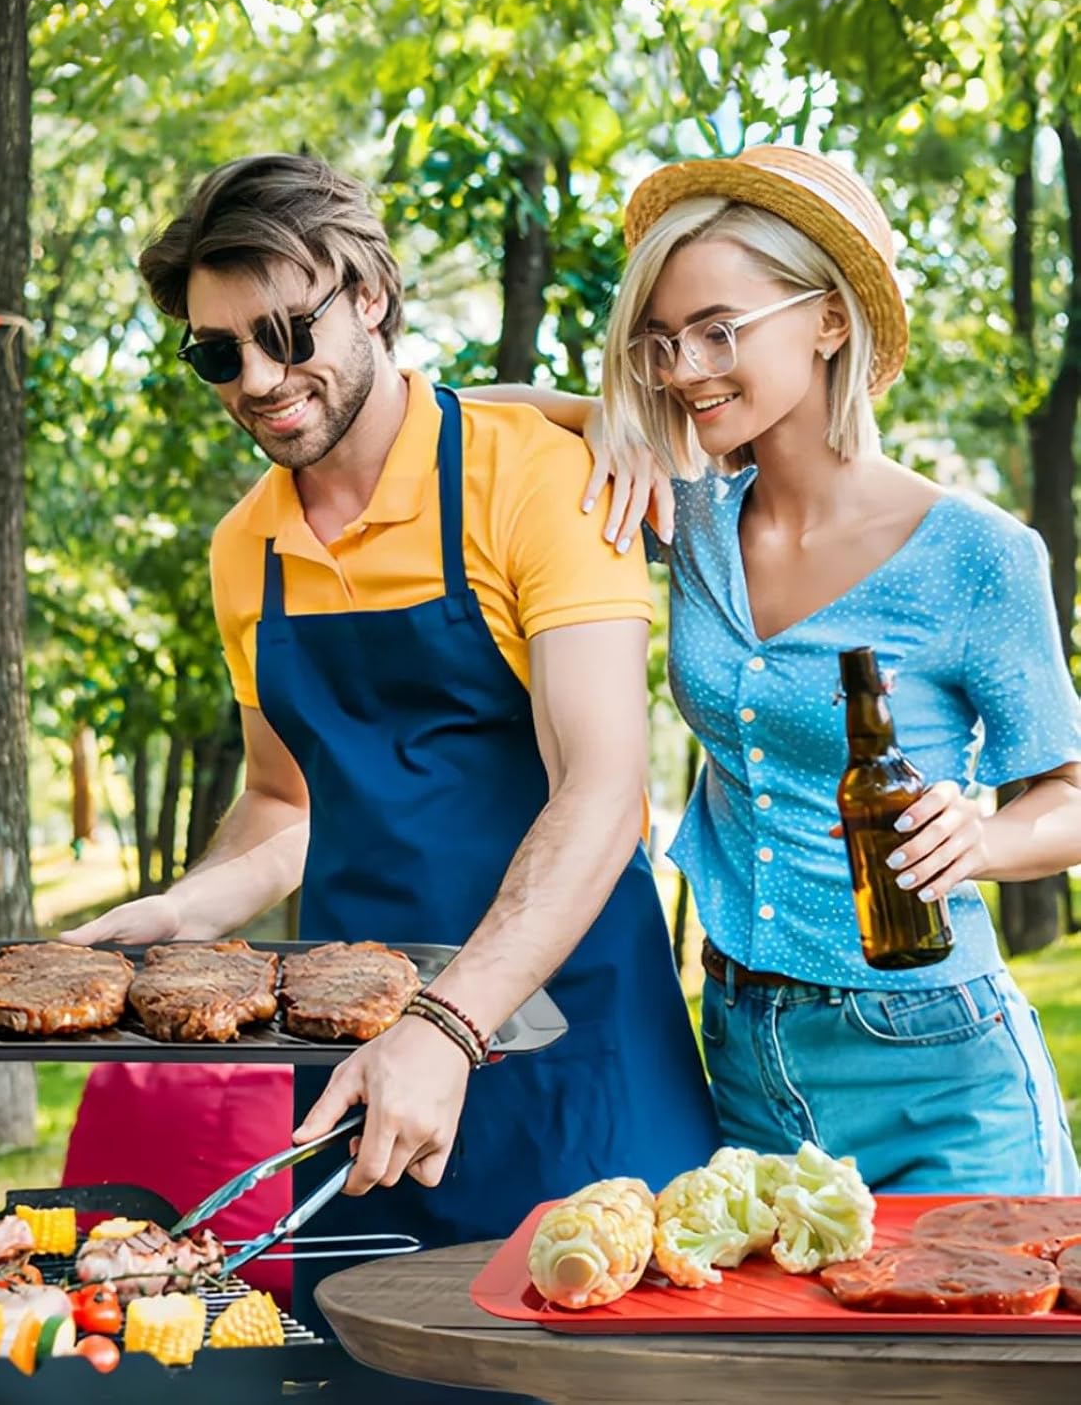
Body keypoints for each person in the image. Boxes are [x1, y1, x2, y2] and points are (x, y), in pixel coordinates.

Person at [64, 153, 721, 1329]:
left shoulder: (538, 480)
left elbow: (601, 789)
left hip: (573, 1060)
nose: (259, 379)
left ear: (369, 294)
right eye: (220, 354)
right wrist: (190, 909)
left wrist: (448, 1024)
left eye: (286, 331)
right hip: (356, 1080)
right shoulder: (243, 550)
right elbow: (286, 803)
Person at [467, 143, 1081, 1195]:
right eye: (662, 343)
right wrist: (602, 420)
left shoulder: (979, 555)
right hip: (745, 1045)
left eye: (719, 331)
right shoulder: (691, 519)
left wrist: (981, 837)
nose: (684, 369)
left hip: (937, 1059)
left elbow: (1070, 793)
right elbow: (465, 415)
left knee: (973, 1358)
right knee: (787, 1361)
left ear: (829, 319)